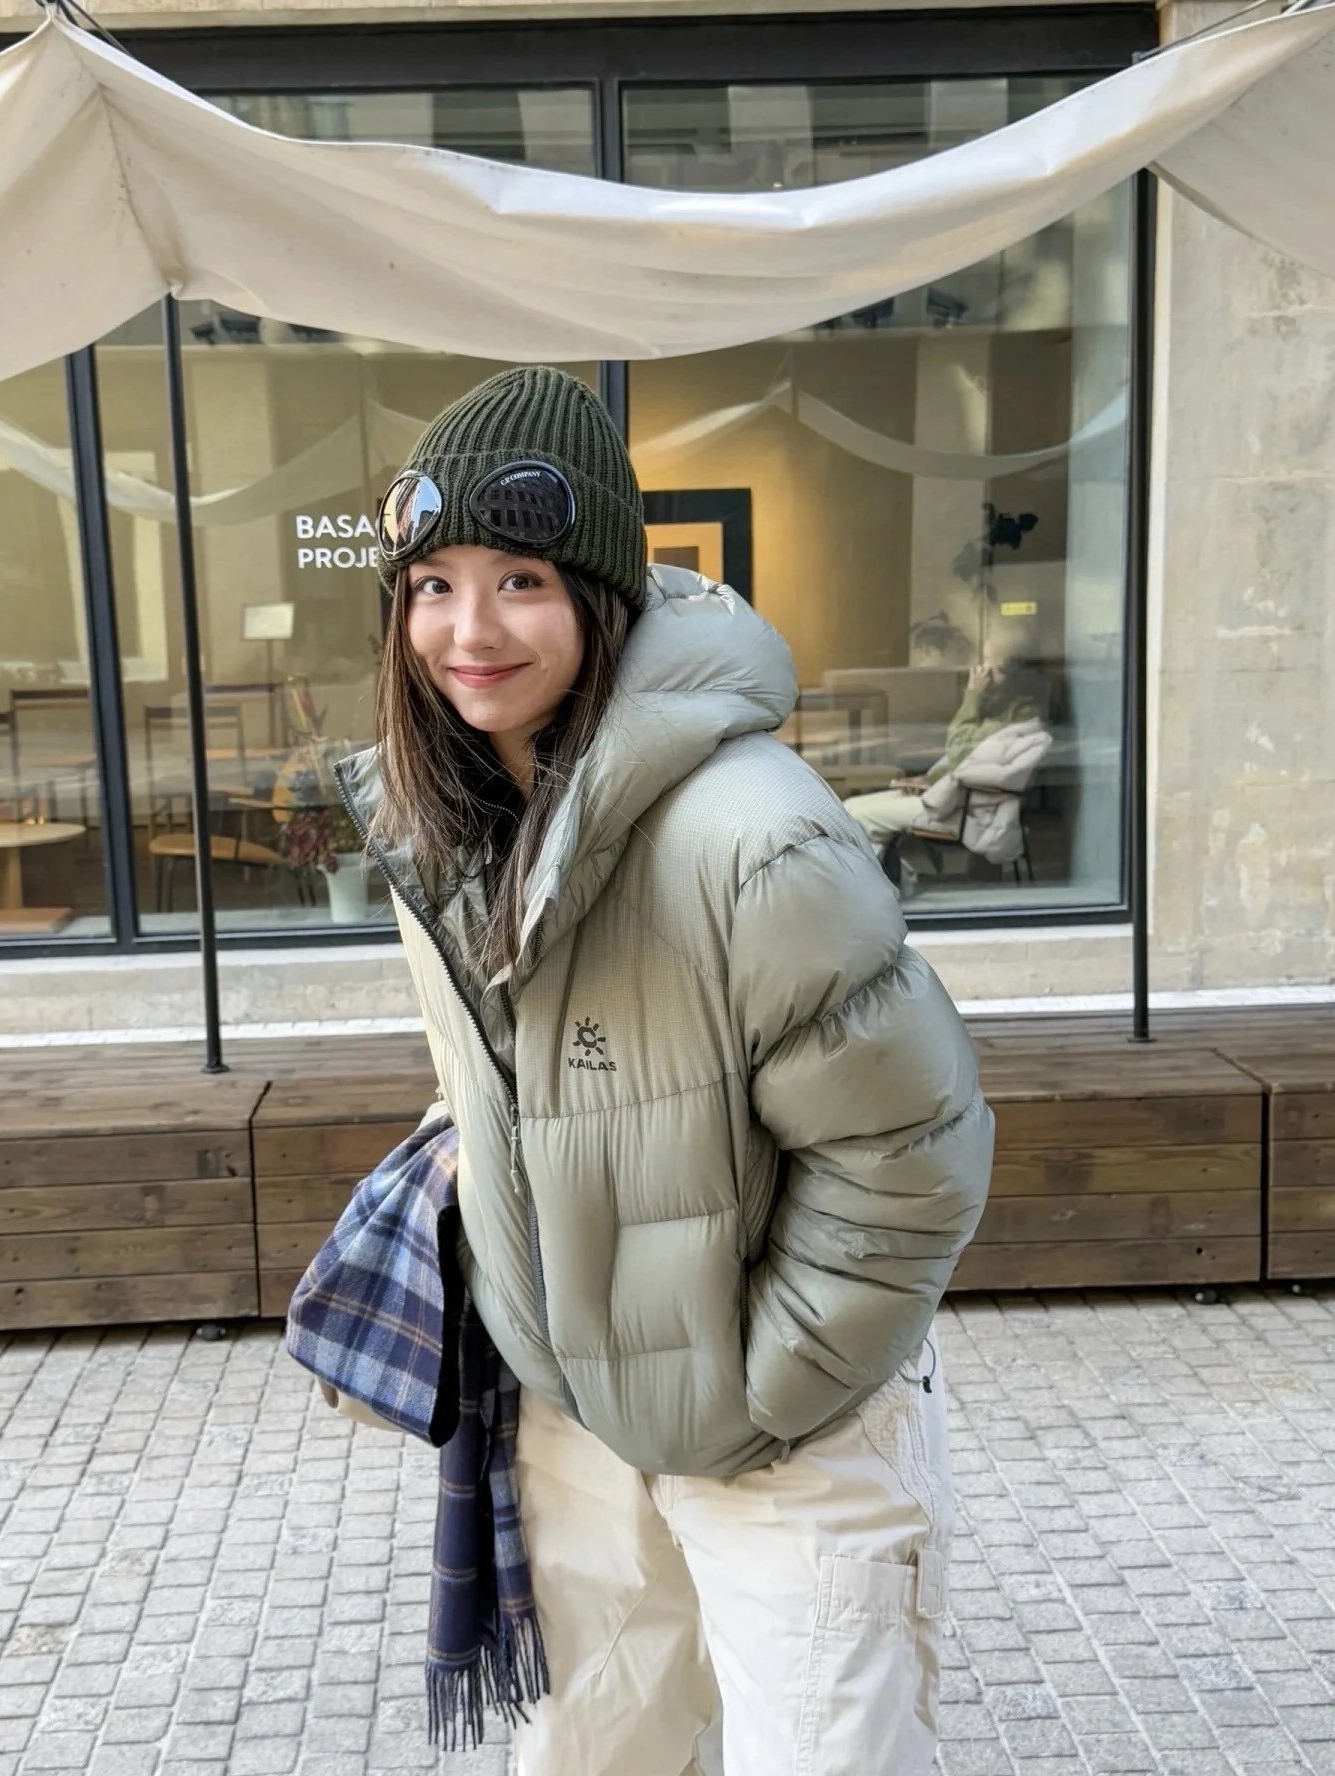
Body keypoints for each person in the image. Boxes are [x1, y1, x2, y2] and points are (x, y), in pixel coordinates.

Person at [337, 366, 994, 1776]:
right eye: (434, 585)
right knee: (593, 1757)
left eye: (520, 581)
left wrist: (765, 1387)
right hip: (569, 1411)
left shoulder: (752, 835)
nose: (469, 630)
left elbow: (911, 1153)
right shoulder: (447, 826)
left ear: (601, 596)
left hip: (786, 1433)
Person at [843, 615, 1050, 848]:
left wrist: (973, 696)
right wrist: (930, 779)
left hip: (958, 811)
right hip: (952, 799)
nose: (982, 669)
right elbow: (970, 761)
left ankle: (870, 870)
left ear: (1007, 669)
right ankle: (879, 867)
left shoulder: (1018, 717)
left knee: (854, 818)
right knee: (849, 809)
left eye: (989, 661)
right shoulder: (1011, 707)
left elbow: (959, 747)